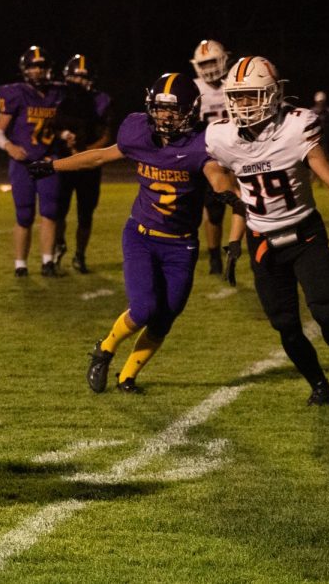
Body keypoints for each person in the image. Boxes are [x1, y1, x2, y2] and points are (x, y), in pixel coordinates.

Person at [30, 73, 245, 393]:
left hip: (181, 245)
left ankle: (127, 377)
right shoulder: (138, 132)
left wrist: (225, 193)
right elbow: (100, 156)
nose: (165, 116)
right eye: (159, 108)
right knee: (144, 307)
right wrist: (55, 165)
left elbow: (216, 173)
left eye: (173, 110)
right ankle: (104, 350)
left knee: (165, 317)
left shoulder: (202, 142)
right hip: (141, 236)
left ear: (191, 111)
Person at [206, 56, 329, 408]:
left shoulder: (296, 127)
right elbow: (213, 168)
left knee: (325, 310)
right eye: (237, 97)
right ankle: (318, 383)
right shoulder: (221, 135)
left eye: (252, 95)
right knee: (285, 325)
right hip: (263, 243)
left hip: (305, 234)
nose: (243, 104)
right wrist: (232, 231)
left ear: (271, 94)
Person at [0, 46, 67, 277]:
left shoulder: (58, 93)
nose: (37, 71)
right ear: (25, 70)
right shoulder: (16, 93)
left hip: (47, 160)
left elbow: (57, 126)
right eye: (33, 66)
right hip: (23, 162)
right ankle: (20, 264)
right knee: (24, 214)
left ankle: (47, 262)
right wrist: (10, 146)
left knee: (50, 212)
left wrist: (64, 135)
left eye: (41, 66)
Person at [51, 54, 112, 273]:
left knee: (85, 214)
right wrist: (64, 135)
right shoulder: (58, 97)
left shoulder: (100, 99)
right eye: (76, 77)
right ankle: (59, 246)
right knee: (58, 211)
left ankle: (80, 255)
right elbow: (49, 128)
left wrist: (87, 152)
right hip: (64, 163)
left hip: (89, 165)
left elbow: (106, 135)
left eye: (83, 77)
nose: (79, 81)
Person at [191, 39, 234, 278]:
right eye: (204, 63)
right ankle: (214, 255)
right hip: (206, 158)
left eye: (212, 61)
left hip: (236, 154)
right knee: (212, 211)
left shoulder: (233, 83)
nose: (208, 68)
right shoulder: (194, 88)